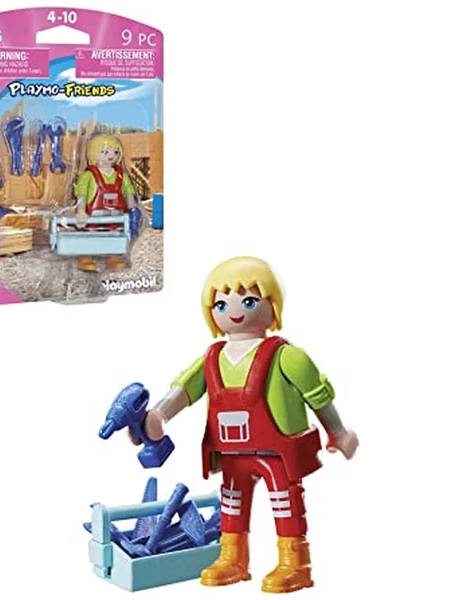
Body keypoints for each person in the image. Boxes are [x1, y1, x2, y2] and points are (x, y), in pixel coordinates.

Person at [137, 256, 358, 593]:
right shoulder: (212, 358)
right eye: (221, 304)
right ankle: (233, 558)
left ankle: (295, 563)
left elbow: (318, 396)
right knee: (231, 504)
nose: (235, 311)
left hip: (277, 452)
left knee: (285, 503)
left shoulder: (287, 356)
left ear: (273, 305)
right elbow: (184, 390)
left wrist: (338, 432)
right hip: (232, 452)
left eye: (250, 301)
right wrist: (159, 415)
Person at [73, 135, 141, 271]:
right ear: (94, 153)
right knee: (90, 235)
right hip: (93, 217)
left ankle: (113, 257)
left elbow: (129, 193)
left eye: (115, 152)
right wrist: (80, 211)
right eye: (105, 152)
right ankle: (85, 257)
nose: (111, 156)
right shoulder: (88, 175)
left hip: (116, 216)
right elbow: (81, 194)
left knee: (115, 235)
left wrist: (132, 210)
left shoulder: (122, 176)